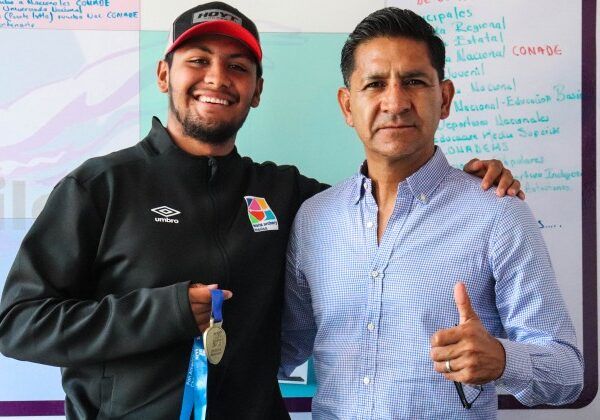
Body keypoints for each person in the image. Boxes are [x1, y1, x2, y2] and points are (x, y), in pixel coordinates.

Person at [0, 2, 521, 419]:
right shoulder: (101, 186)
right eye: (198, 60)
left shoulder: (288, 194)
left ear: (256, 91)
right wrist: (165, 311)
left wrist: (464, 183)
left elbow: (384, 200)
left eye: (238, 67)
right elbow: (18, 323)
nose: (217, 78)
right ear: (164, 74)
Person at [280, 7, 583, 419]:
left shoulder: (497, 214)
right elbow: (283, 350)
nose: (395, 102)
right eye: (375, 84)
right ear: (347, 106)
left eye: (414, 81)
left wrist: (502, 360)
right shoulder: (314, 220)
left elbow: (568, 373)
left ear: (444, 98)